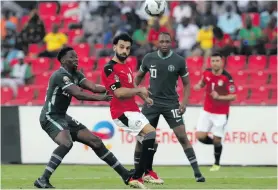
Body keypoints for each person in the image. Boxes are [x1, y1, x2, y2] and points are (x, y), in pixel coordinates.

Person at [34, 47, 134, 188]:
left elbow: (92, 87)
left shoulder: (76, 74)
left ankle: (125, 174)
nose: (76, 59)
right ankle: (42, 179)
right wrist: (102, 98)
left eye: (77, 57)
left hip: (62, 116)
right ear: (62, 60)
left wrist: (114, 87)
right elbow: (79, 94)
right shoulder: (60, 75)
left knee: (96, 141)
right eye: (72, 57)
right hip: (50, 116)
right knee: (66, 143)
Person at [134, 32, 205, 184]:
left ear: (171, 42)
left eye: (167, 41)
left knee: (182, 137)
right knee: (142, 139)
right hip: (151, 104)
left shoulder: (178, 60)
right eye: (162, 41)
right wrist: (141, 94)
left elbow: (187, 83)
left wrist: (184, 102)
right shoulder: (148, 58)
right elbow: (137, 78)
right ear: (157, 43)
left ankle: (197, 172)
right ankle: (137, 174)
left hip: (171, 103)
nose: (164, 43)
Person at [101, 33, 157, 189]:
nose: (124, 50)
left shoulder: (127, 66)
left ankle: (140, 174)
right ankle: (139, 175)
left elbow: (130, 88)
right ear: (114, 47)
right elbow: (118, 93)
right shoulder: (109, 68)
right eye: (121, 47)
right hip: (122, 112)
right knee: (150, 134)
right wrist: (139, 89)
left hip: (133, 110)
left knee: (151, 143)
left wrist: (143, 96)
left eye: (127, 48)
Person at [193, 52, 237, 172]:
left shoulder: (227, 77)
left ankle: (216, 163)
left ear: (222, 61)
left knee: (217, 139)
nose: (215, 63)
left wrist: (219, 97)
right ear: (210, 62)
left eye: (217, 61)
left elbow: (233, 96)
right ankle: (218, 145)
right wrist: (199, 85)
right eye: (213, 61)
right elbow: (203, 82)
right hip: (207, 110)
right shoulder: (206, 72)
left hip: (221, 113)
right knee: (200, 136)